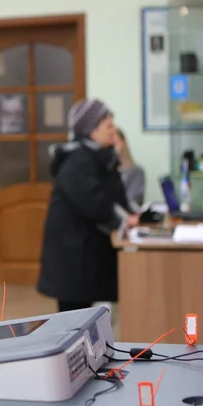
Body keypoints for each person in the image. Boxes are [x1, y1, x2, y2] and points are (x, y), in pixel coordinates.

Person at [37, 99, 140, 313]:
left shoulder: (99, 156)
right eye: (108, 126)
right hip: (72, 259)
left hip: (84, 255)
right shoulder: (78, 160)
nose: (114, 131)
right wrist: (124, 220)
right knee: (73, 322)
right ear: (93, 132)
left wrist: (131, 214)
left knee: (84, 318)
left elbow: (115, 194)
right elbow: (94, 201)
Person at [113, 127, 146, 208]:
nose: (112, 148)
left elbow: (132, 202)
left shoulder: (135, 172)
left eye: (115, 143)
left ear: (123, 142)